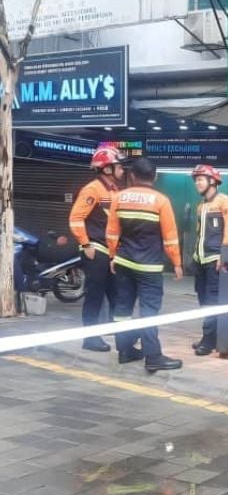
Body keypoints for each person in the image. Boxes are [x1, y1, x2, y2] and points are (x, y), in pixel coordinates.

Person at [105, 157, 183, 372]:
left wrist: (112, 256)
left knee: (122, 309)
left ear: (132, 176)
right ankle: (153, 356)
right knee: (149, 310)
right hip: (149, 267)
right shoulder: (161, 201)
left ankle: (125, 351)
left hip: (123, 262)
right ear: (154, 177)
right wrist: (177, 263)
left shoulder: (119, 198)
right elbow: (170, 236)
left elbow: (112, 232)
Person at [68, 146, 125, 352]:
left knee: (117, 295)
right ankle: (90, 339)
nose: (122, 170)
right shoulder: (92, 189)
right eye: (118, 166)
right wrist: (86, 244)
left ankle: (123, 337)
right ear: (107, 169)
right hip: (96, 250)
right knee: (95, 296)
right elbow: (76, 218)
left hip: (110, 253)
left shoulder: (114, 190)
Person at [189, 164, 228, 356]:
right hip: (200, 260)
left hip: (215, 260)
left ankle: (208, 341)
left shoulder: (225, 202)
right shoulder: (201, 206)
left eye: (200, 179)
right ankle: (209, 336)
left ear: (212, 181)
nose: (197, 183)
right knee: (203, 299)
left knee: (212, 301)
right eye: (196, 180)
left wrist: (224, 256)